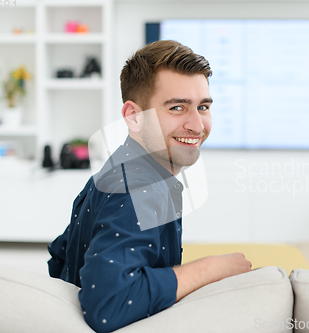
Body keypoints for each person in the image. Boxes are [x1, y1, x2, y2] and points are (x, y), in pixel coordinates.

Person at [48, 40, 252, 333]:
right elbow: (108, 304)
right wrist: (212, 269)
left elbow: (61, 256)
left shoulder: (118, 167)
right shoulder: (138, 188)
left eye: (203, 107)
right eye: (177, 107)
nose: (197, 125)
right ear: (134, 117)